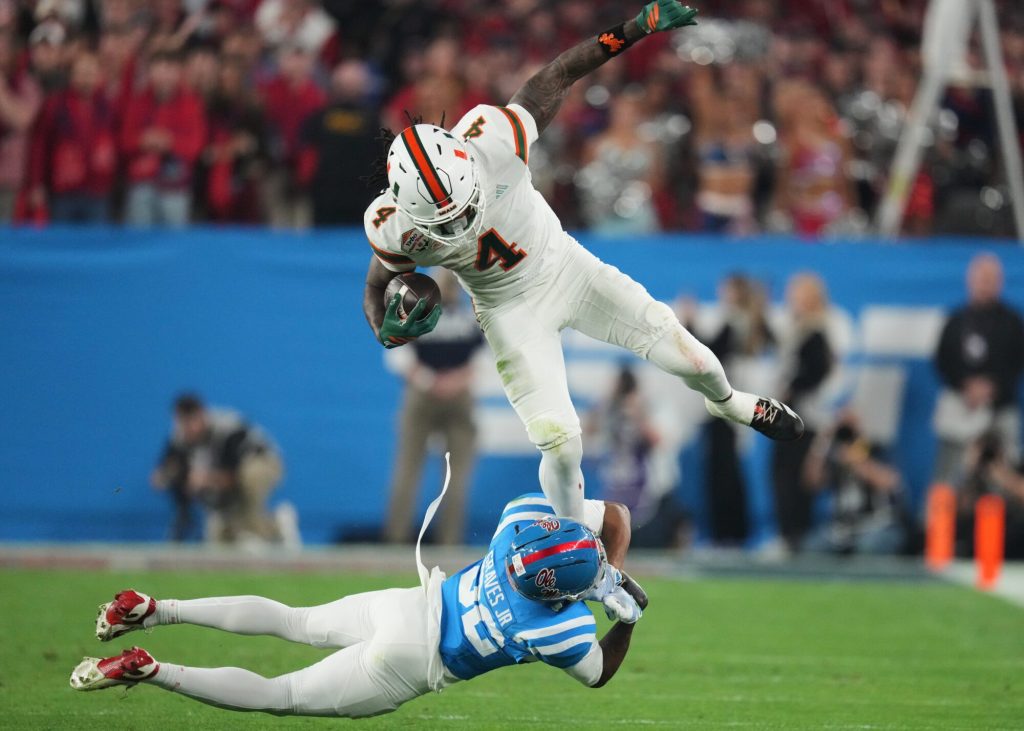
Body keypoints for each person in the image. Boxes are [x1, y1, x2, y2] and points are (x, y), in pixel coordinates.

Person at [361, 1, 804, 525]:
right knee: (561, 442)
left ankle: (729, 403)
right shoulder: (392, 223)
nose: (458, 226)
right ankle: (582, 547)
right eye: (444, 220)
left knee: (698, 362)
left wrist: (636, 29)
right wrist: (387, 327)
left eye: (462, 210)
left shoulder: (494, 139)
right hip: (509, 312)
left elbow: (560, 72)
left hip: (570, 269)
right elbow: (377, 287)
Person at [70, 492, 648, 717]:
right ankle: (154, 670)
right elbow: (598, 674)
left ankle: (157, 607)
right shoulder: (561, 627)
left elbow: (609, 516)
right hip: (412, 662)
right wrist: (623, 614)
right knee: (282, 695)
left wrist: (605, 566)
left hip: (406, 605)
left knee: (291, 619)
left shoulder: (518, 521)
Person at [383, 270, 485, 545]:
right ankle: (449, 541)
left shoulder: (414, 315)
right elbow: (484, 359)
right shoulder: (470, 318)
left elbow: (396, 356)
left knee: (408, 466)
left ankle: (396, 538)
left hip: (421, 393)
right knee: (456, 473)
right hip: (460, 394)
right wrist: (454, 381)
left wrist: (430, 381)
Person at [932, 253, 1024, 483]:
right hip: (960, 405)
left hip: (999, 408)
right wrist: (966, 385)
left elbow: (1017, 363)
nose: (985, 283)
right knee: (949, 474)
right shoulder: (956, 320)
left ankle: (1005, 517)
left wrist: (992, 388)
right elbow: (943, 361)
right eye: (981, 277)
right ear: (970, 279)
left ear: (1000, 281)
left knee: (1002, 474)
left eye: (991, 278)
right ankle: (940, 516)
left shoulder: (1012, 322)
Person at [150, 393, 283, 544]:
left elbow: (234, 476)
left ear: (202, 415)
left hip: (262, 462)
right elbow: (164, 473)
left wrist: (206, 479)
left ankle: (261, 529)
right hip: (223, 478)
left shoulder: (227, 428)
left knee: (250, 475)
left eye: (191, 421)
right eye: (182, 422)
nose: (187, 429)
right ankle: (271, 526)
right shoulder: (179, 437)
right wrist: (167, 476)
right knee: (223, 536)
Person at [771, 272, 833, 552]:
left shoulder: (817, 332)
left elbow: (819, 371)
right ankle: (789, 536)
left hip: (805, 419)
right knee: (783, 477)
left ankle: (796, 538)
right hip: (791, 417)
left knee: (794, 479)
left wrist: (793, 389)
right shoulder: (797, 330)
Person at [27, 50, 118, 223]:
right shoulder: (54, 105)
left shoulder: (109, 106)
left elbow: (116, 146)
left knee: (96, 245)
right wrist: (36, 185)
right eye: (81, 73)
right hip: (63, 191)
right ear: (71, 76)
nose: (86, 79)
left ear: (99, 76)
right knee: (61, 245)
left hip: (97, 191)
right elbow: (40, 147)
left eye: (90, 73)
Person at [802, 411, 907, 556]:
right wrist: (823, 440)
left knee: (869, 546)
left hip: (877, 526)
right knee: (813, 545)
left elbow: (891, 483)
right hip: (844, 530)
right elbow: (812, 480)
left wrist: (857, 456)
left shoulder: (878, 448)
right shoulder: (835, 454)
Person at [121, 50, 206, 227]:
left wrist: (170, 143)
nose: (164, 76)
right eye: (159, 70)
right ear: (151, 72)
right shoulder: (138, 101)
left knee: (173, 245)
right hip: (141, 185)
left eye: (170, 70)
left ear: (179, 73)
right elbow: (124, 140)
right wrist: (143, 141)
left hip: (175, 187)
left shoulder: (191, 104)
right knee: (139, 243)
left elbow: (195, 146)